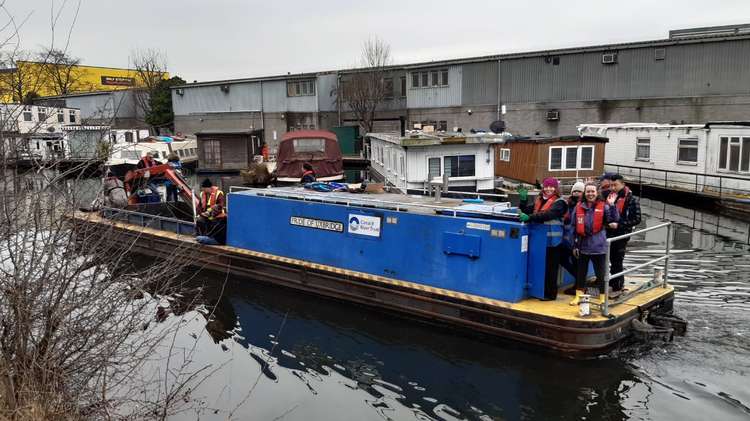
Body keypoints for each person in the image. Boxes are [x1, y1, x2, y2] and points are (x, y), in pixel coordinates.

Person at [518, 177, 568, 300]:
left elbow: (548, 215)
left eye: (551, 186)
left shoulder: (560, 202)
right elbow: (526, 211)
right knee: (540, 267)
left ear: (556, 188)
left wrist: (529, 218)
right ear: (543, 187)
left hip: (553, 242)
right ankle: (539, 291)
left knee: (551, 269)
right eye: (546, 186)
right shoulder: (539, 200)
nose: (549, 189)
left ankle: (550, 294)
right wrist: (523, 200)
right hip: (539, 241)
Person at [571, 183, 619, 305]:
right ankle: (578, 296)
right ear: (584, 193)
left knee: (601, 273)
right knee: (581, 273)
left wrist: (612, 205)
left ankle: (602, 297)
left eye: (592, 191)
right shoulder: (578, 207)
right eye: (588, 192)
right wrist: (575, 245)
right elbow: (574, 227)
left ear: (597, 193)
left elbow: (614, 219)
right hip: (583, 245)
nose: (590, 194)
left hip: (599, 246)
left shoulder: (604, 207)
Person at [606, 174, 642, 293]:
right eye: (611, 185)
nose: (612, 188)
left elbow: (637, 219)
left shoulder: (631, 199)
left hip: (622, 233)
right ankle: (612, 281)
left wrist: (620, 224)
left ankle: (618, 285)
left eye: (615, 185)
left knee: (617, 260)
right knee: (610, 258)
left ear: (622, 184)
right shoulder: (609, 196)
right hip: (609, 232)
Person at [561, 181, 586, 292]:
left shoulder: (585, 205)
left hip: (579, 239)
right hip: (567, 239)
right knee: (562, 259)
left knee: (578, 263)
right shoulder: (567, 204)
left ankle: (579, 286)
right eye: (574, 191)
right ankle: (579, 283)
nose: (576, 193)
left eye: (579, 191)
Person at [196, 178, 227, 245]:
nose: (202, 190)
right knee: (199, 220)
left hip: (217, 215)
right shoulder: (202, 194)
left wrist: (210, 213)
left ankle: (211, 237)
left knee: (214, 222)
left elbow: (220, 205)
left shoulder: (219, 193)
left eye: (204, 188)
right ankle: (202, 236)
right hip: (206, 215)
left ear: (208, 188)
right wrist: (200, 213)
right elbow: (199, 206)